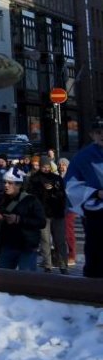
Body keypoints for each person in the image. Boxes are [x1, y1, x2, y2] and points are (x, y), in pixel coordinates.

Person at [0, 170, 46, 271]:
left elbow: (41, 222)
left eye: (10, 183)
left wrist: (18, 219)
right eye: (4, 182)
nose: (6, 185)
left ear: (19, 185)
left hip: (26, 245)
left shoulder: (31, 200)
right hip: (7, 244)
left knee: (26, 278)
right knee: (4, 277)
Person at [66, 118, 103, 278]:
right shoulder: (82, 157)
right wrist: (96, 193)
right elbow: (69, 186)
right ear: (92, 134)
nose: (102, 135)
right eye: (99, 132)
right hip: (96, 214)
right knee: (95, 251)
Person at [27, 156, 69, 274]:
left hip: (57, 213)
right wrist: (43, 190)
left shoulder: (57, 178)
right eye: (44, 167)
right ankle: (47, 265)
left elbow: (63, 195)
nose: (46, 169)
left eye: (47, 167)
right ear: (40, 167)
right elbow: (31, 196)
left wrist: (55, 191)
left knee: (60, 240)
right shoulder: (34, 179)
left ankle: (63, 265)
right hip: (43, 214)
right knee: (45, 241)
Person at [59, 157, 77, 266]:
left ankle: (72, 255)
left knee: (69, 232)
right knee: (61, 233)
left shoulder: (70, 178)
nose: (61, 167)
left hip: (69, 208)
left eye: (63, 165)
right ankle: (62, 255)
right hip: (60, 208)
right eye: (60, 165)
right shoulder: (58, 177)